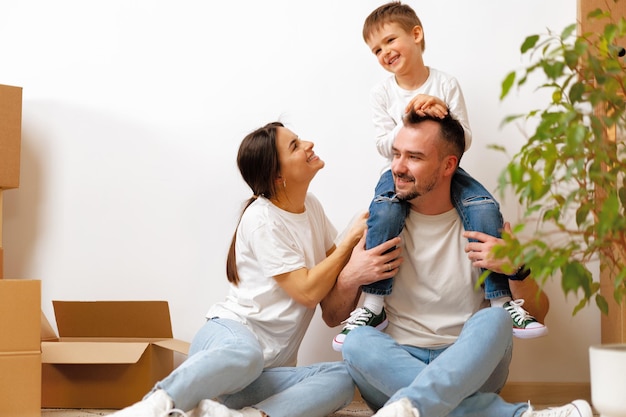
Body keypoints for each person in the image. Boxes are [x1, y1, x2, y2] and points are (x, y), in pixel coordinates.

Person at [323, 110, 591, 417]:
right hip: (392, 366)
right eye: (396, 154)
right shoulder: (375, 225)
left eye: (414, 157)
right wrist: (350, 277)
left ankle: (411, 406)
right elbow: (333, 317)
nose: (397, 167)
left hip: (471, 367)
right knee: (356, 342)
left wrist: (516, 268)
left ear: (449, 164)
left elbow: (538, 314)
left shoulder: (486, 224)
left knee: (496, 320)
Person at [110, 122, 366, 417]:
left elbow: (331, 301)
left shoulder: (311, 207)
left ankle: (244, 415)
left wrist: (361, 264)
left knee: (344, 379)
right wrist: (348, 242)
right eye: (295, 145)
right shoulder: (262, 218)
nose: (309, 144)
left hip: (259, 375)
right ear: (277, 175)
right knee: (247, 355)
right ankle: (154, 405)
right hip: (229, 341)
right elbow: (307, 291)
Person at [331, 1, 547, 351]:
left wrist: (442, 115)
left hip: (448, 168)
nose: (384, 52)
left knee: (486, 209)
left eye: (389, 41)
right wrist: (408, 116)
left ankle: (499, 303)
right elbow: (383, 145)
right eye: (376, 50)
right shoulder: (382, 94)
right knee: (384, 213)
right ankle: (373, 306)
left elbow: (464, 138)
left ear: (416, 35)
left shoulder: (445, 83)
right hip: (393, 177)